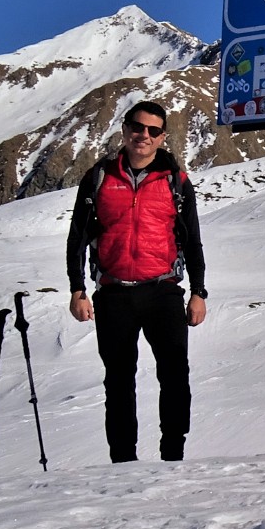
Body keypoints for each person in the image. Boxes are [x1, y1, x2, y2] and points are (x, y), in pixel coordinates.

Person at [66, 101, 208, 461]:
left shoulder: (176, 181)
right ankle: (123, 462)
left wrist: (198, 291)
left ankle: (173, 454)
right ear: (124, 129)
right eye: (137, 127)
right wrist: (78, 290)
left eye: (153, 130)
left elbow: (191, 239)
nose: (143, 135)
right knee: (118, 381)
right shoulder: (98, 177)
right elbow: (77, 237)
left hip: (163, 291)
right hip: (113, 294)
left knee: (175, 375)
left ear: (162, 137)